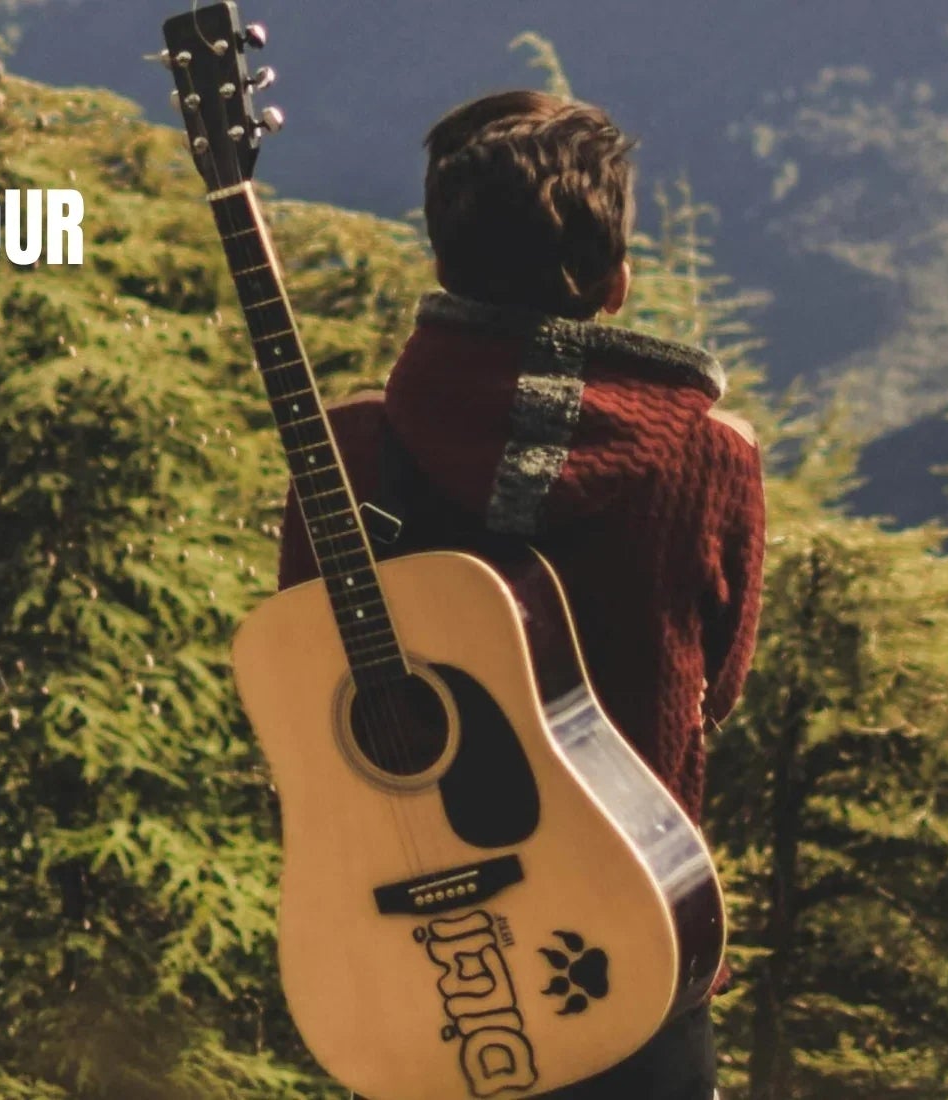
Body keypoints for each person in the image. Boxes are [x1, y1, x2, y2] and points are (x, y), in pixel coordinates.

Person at [276, 88, 767, 1100]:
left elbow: (308, 701)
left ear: (442, 268)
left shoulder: (350, 454)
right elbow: (718, 693)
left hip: (423, 962)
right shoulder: (713, 461)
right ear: (617, 282)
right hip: (639, 943)